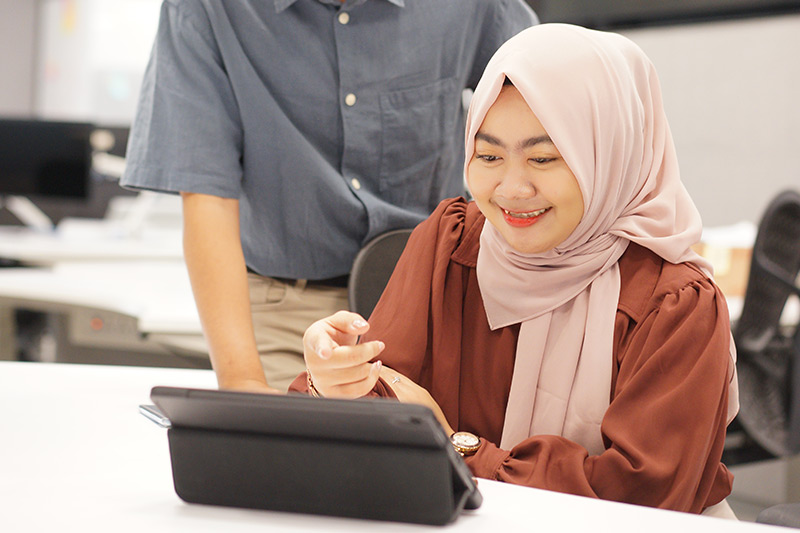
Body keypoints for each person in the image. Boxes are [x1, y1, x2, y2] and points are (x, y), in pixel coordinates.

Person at [297, 23, 740, 516]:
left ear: (611, 153)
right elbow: (385, 402)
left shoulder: (676, 304)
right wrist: (332, 381)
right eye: (488, 155)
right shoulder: (451, 246)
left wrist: (455, 447)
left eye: (544, 158)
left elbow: (640, 499)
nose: (511, 189)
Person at [121, 0, 539, 392]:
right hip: (285, 311)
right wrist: (244, 382)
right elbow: (207, 197)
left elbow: (552, 107)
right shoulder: (209, 8)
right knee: (287, 441)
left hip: (439, 306)